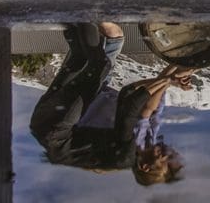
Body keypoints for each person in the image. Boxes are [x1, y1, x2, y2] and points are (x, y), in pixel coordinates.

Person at [29, 22, 194, 184]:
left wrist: (169, 79)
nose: (164, 154)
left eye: (162, 160)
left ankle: (83, 12)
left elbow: (136, 108)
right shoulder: (144, 144)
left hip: (57, 131)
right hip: (47, 127)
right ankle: (69, 13)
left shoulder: (127, 153)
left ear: (144, 167)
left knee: (100, 64)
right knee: (82, 56)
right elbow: (143, 103)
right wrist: (187, 65)